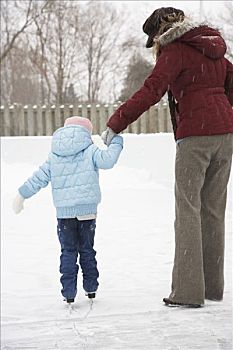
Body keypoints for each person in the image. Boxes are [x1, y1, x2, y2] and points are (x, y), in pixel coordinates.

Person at [102, 7, 233, 307]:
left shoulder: (176, 51)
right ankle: (212, 287)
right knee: (212, 210)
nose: (156, 47)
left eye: (154, 40)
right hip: (225, 135)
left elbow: (152, 89)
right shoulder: (214, 49)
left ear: (160, 32)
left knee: (187, 209)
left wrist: (116, 122)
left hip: (196, 136)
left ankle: (188, 293)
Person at [13, 116, 123, 304]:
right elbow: (108, 161)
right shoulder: (90, 149)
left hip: (64, 214)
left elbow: (39, 178)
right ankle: (91, 288)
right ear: (85, 132)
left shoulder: (54, 154)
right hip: (87, 212)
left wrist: (22, 195)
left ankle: (69, 293)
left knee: (68, 251)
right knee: (87, 249)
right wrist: (117, 140)